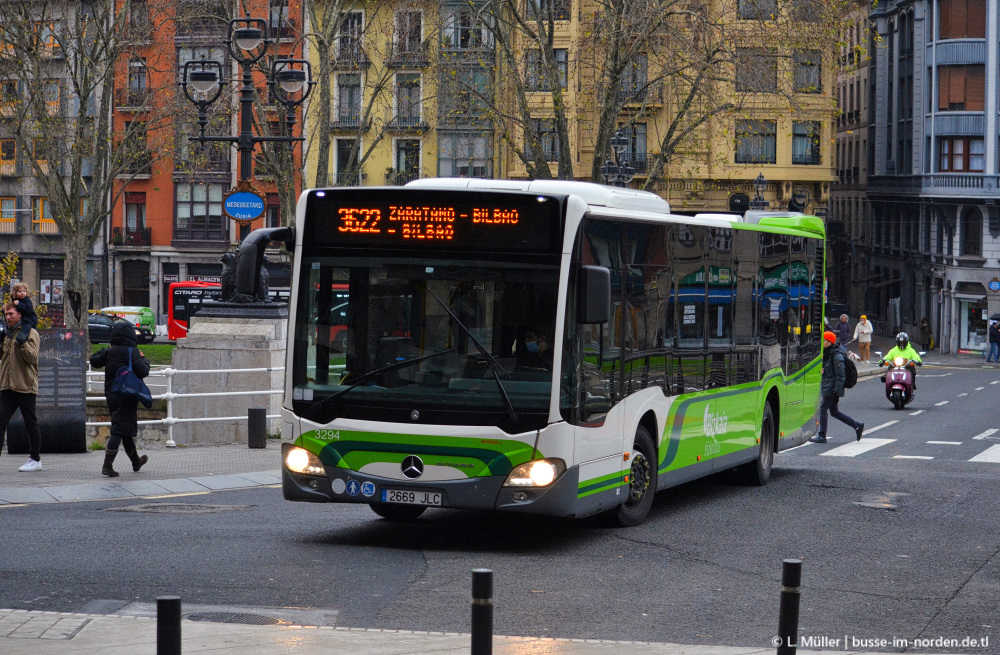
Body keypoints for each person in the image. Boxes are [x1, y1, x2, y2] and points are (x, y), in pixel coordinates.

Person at [89, 321, 150, 477]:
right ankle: (107, 465)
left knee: (124, 428)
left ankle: (136, 462)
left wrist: (105, 350)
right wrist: (144, 359)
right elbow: (143, 372)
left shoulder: (110, 351)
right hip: (128, 394)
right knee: (118, 429)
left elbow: (94, 361)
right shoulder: (132, 351)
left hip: (112, 395)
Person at [0, 301, 43, 471]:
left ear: (19, 314)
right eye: (5, 314)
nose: (7, 317)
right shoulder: (6, 334)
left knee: (30, 423)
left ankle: (35, 459)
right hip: (7, 386)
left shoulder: (31, 333)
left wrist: (23, 343)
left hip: (25, 385)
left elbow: (32, 359)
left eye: (11, 314)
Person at [809, 331, 864, 444]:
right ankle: (857, 426)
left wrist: (836, 391)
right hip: (829, 386)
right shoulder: (828, 353)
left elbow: (841, 375)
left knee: (823, 409)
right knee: (834, 412)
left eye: (824, 340)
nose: (822, 343)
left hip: (832, 388)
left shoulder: (837, 355)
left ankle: (822, 435)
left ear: (829, 342)